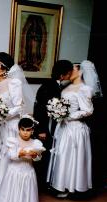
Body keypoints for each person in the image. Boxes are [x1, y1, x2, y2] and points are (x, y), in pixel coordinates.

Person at [47, 60, 99, 198]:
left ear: (80, 71)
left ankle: (73, 187)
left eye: (74, 68)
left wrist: (69, 116)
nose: (71, 70)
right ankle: (61, 185)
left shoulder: (84, 89)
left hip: (76, 129)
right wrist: (57, 112)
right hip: (64, 127)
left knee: (73, 158)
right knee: (63, 156)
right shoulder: (65, 87)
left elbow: (88, 111)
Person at [0, 116, 45, 202]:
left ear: (32, 130)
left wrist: (35, 156)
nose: (25, 133)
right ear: (18, 129)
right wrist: (19, 153)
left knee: (26, 192)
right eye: (23, 130)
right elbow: (10, 155)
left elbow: (38, 158)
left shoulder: (35, 143)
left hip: (28, 171)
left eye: (28, 130)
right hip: (14, 170)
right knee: (13, 190)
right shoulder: (13, 141)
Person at [33, 60, 72, 191]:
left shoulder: (54, 85)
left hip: (52, 128)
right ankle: (38, 186)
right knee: (42, 157)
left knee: (48, 155)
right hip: (45, 129)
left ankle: (44, 183)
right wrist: (41, 130)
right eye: (68, 74)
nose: (69, 76)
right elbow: (39, 110)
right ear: (62, 76)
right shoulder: (49, 87)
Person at [0, 52, 25, 197]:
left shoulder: (14, 83)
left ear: (3, 69)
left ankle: (11, 195)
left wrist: (2, 114)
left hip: (11, 126)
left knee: (10, 156)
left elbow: (19, 106)